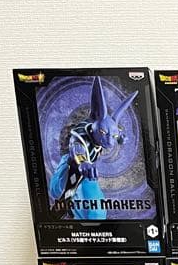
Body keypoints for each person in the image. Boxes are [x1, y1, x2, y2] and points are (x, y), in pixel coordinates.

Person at [48, 76, 137, 219]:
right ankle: (62, 207)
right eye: (104, 133)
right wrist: (83, 162)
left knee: (95, 211)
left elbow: (114, 130)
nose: (110, 142)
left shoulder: (108, 129)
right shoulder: (81, 134)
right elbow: (76, 148)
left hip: (88, 168)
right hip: (73, 166)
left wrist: (120, 137)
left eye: (112, 136)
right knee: (66, 189)